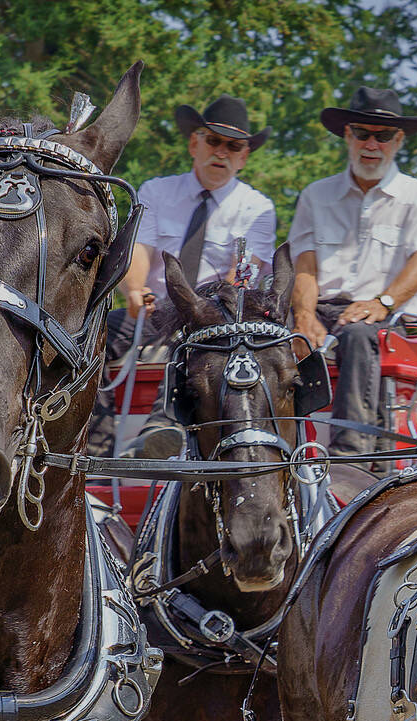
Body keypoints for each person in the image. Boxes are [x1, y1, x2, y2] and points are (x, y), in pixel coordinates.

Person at [88, 95, 276, 456]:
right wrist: (133, 291)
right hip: (152, 309)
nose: (221, 152)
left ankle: (161, 429)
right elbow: (139, 250)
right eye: (213, 141)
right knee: (88, 332)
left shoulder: (258, 209)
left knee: (196, 329)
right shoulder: (156, 191)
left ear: (244, 157)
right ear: (195, 144)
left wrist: (207, 302)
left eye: (233, 146)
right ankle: (93, 443)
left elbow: (244, 274)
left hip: (211, 317)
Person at [287, 86, 417, 457]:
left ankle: (350, 454)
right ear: (347, 136)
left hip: (388, 316)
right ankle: (266, 451)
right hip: (323, 308)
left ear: (399, 140)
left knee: (357, 333)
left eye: (383, 135)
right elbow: (304, 264)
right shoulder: (315, 195)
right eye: (362, 133)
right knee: (261, 337)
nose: (372, 144)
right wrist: (303, 317)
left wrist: (382, 302)